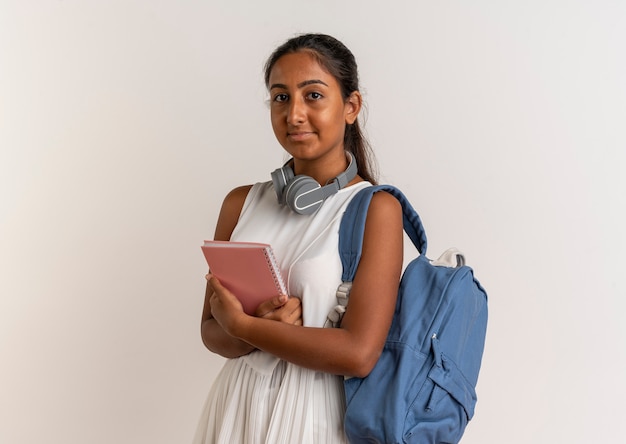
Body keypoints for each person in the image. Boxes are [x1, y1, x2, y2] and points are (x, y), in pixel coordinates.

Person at [193, 33, 404, 444]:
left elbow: (359, 354)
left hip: (314, 420)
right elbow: (208, 330)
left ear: (351, 106)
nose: (294, 114)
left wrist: (245, 327)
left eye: (313, 95)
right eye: (280, 98)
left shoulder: (376, 209)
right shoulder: (241, 203)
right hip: (237, 410)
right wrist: (239, 329)